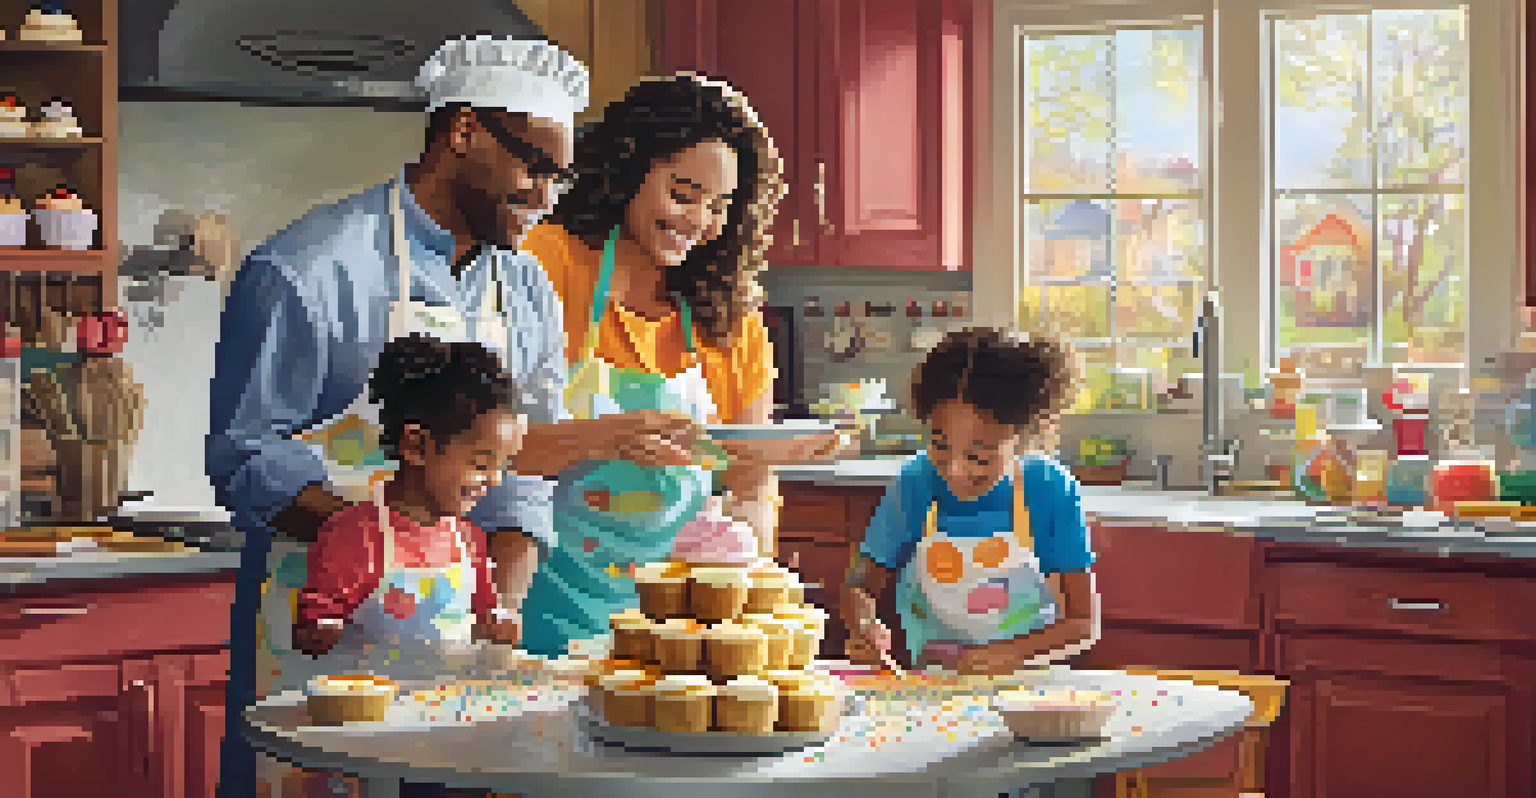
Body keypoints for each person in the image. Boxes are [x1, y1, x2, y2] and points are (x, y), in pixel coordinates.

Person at [208, 38, 697, 798]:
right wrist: (383, 550)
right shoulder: (308, 270)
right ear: (462, 131)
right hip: (314, 636)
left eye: (558, 178)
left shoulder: (526, 290)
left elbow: (522, 475)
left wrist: (493, 605)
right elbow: (243, 456)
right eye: (534, 168)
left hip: (455, 657)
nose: (546, 198)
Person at [517, 73, 828, 657]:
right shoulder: (545, 264)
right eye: (683, 193)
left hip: (676, 633)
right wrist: (604, 439)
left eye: (719, 207)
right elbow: (491, 450)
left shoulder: (731, 320)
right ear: (629, 169)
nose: (699, 222)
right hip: (541, 613)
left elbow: (750, 478)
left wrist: (739, 564)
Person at [841, 327, 1100, 675]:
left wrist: (1005, 655)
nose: (956, 470)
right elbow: (859, 585)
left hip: (1029, 693)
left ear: (1022, 438)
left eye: (979, 456)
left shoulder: (1048, 487)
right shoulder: (916, 481)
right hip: (934, 689)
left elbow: (1083, 623)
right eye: (940, 446)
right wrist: (864, 626)